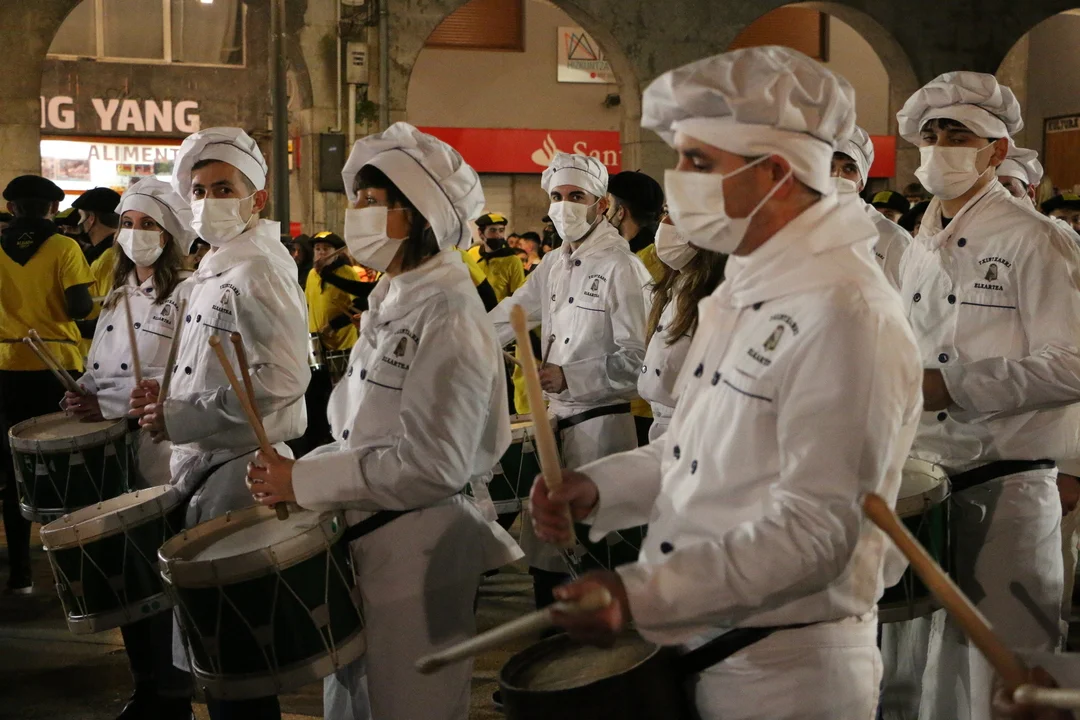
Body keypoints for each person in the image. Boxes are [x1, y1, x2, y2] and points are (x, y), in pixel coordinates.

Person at [529, 46, 923, 720]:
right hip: (707, 639)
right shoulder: (749, 288)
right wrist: (600, 487)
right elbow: (696, 449)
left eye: (698, 162)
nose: (678, 182)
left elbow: (817, 531)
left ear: (775, 172)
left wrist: (643, 593)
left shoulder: (846, 311)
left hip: (784, 670)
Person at [245, 122, 521, 720]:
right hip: (373, 543)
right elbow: (363, 433)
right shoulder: (394, 297)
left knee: (410, 708)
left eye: (370, 201)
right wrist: (293, 473)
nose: (356, 216)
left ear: (417, 214)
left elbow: (434, 466)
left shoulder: (448, 312)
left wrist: (306, 480)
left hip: (420, 555)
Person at [891, 70, 1080, 720]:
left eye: (958, 136)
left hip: (1008, 489)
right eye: (931, 135)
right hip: (928, 485)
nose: (940, 148)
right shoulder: (921, 242)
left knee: (1005, 676)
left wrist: (955, 384)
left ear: (997, 150)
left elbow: (1073, 361)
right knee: (928, 675)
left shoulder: (1035, 238)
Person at [129, 127, 309, 720]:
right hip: (206, 471)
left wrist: (182, 414)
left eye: (224, 188)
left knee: (239, 667)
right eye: (200, 190)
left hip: (240, 475)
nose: (208, 201)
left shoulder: (260, 268)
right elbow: (217, 364)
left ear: (258, 198)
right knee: (221, 662)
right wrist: (170, 395)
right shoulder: (217, 267)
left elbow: (284, 377)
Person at [489, 151, 651, 611]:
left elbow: (641, 361)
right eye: (557, 196)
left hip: (602, 430)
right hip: (554, 426)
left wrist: (570, 375)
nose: (564, 206)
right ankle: (550, 646)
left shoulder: (622, 267)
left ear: (602, 204)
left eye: (576, 196)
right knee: (549, 555)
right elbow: (511, 314)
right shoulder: (554, 265)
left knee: (598, 554)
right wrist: (460, 340)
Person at [64, 177, 194, 720]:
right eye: (128, 223)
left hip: (161, 454)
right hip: (115, 456)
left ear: (172, 235)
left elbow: (187, 377)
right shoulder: (117, 295)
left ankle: (173, 697)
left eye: (148, 225)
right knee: (126, 583)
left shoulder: (188, 293)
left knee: (159, 583)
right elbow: (99, 366)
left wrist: (111, 405)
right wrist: (82, 393)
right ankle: (145, 687)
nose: (135, 234)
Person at [0, 175, 94, 595]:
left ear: (12, 208)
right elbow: (78, 307)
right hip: (56, 366)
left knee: (13, 470)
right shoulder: (64, 247)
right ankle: (69, 570)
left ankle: (20, 573)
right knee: (62, 468)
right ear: (53, 209)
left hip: (5, 366)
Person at [638, 219, 725, 440]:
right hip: (663, 428)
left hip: (694, 431)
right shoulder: (673, 287)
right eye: (666, 212)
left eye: (678, 213)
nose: (665, 223)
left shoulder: (719, 297)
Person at [607, 170, 667, 444]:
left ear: (620, 212)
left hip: (643, 402)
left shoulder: (639, 262)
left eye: (607, 204)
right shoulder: (654, 254)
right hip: (644, 394)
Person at [298, 231, 367, 454]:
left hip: (342, 344)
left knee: (339, 394)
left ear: (336, 253)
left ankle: (338, 436)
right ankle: (315, 436)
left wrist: (334, 324)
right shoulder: (312, 274)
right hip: (317, 344)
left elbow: (360, 303)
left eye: (326, 249)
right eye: (317, 249)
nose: (320, 253)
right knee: (315, 393)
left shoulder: (347, 272)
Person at [832, 125, 912, 289]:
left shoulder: (892, 239)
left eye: (849, 169)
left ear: (861, 183)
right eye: (829, 167)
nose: (837, 175)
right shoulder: (795, 228)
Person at [70, 187, 122, 353]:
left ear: (91, 219)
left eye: (81, 217)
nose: (79, 224)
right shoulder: (105, 254)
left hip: (96, 350)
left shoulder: (108, 258)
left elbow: (110, 313)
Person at [475, 212, 525, 303]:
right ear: (481, 233)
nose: (498, 235)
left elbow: (519, 296)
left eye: (501, 230)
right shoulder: (479, 262)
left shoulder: (512, 260)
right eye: (493, 230)